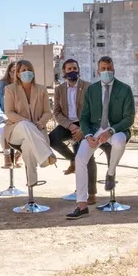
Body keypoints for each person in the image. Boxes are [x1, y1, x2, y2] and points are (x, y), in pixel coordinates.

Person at [66, 56, 135, 220]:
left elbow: (129, 118)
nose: (106, 71)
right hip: (95, 130)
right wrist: (88, 135)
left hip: (116, 129)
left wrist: (110, 131)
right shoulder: (92, 90)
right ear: (98, 71)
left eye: (109, 68)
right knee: (80, 159)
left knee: (118, 141)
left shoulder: (125, 89)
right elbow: (84, 117)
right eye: (103, 69)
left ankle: (110, 173)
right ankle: (82, 205)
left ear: (114, 69)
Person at [49, 58, 97, 204]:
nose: (72, 71)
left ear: (78, 70)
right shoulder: (59, 89)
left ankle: (91, 193)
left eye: (74, 68)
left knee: (87, 157)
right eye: (69, 69)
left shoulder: (88, 87)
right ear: (64, 71)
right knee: (52, 139)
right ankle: (72, 160)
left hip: (84, 125)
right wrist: (71, 126)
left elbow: (94, 111)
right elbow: (57, 112)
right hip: (67, 124)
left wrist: (82, 128)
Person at [3, 60, 56, 187]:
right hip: (15, 129)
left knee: (28, 145)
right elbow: (9, 112)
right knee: (25, 125)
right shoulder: (10, 89)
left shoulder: (41, 89)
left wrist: (39, 123)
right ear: (17, 74)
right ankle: (46, 155)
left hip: (38, 129)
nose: (27, 72)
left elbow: (47, 112)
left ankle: (32, 182)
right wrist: (27, 122)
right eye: (23, 70)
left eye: (29, 70)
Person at [0, 62, 21, 169]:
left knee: (27, 128)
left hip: (19, 119)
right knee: (3, 128)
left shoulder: (23, 86)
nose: (15, 73)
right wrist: (5, 117)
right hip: (2, 119)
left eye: (18, 71)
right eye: (13, 71)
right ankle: (7, 155)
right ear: (9, 71)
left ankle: (19, 154)